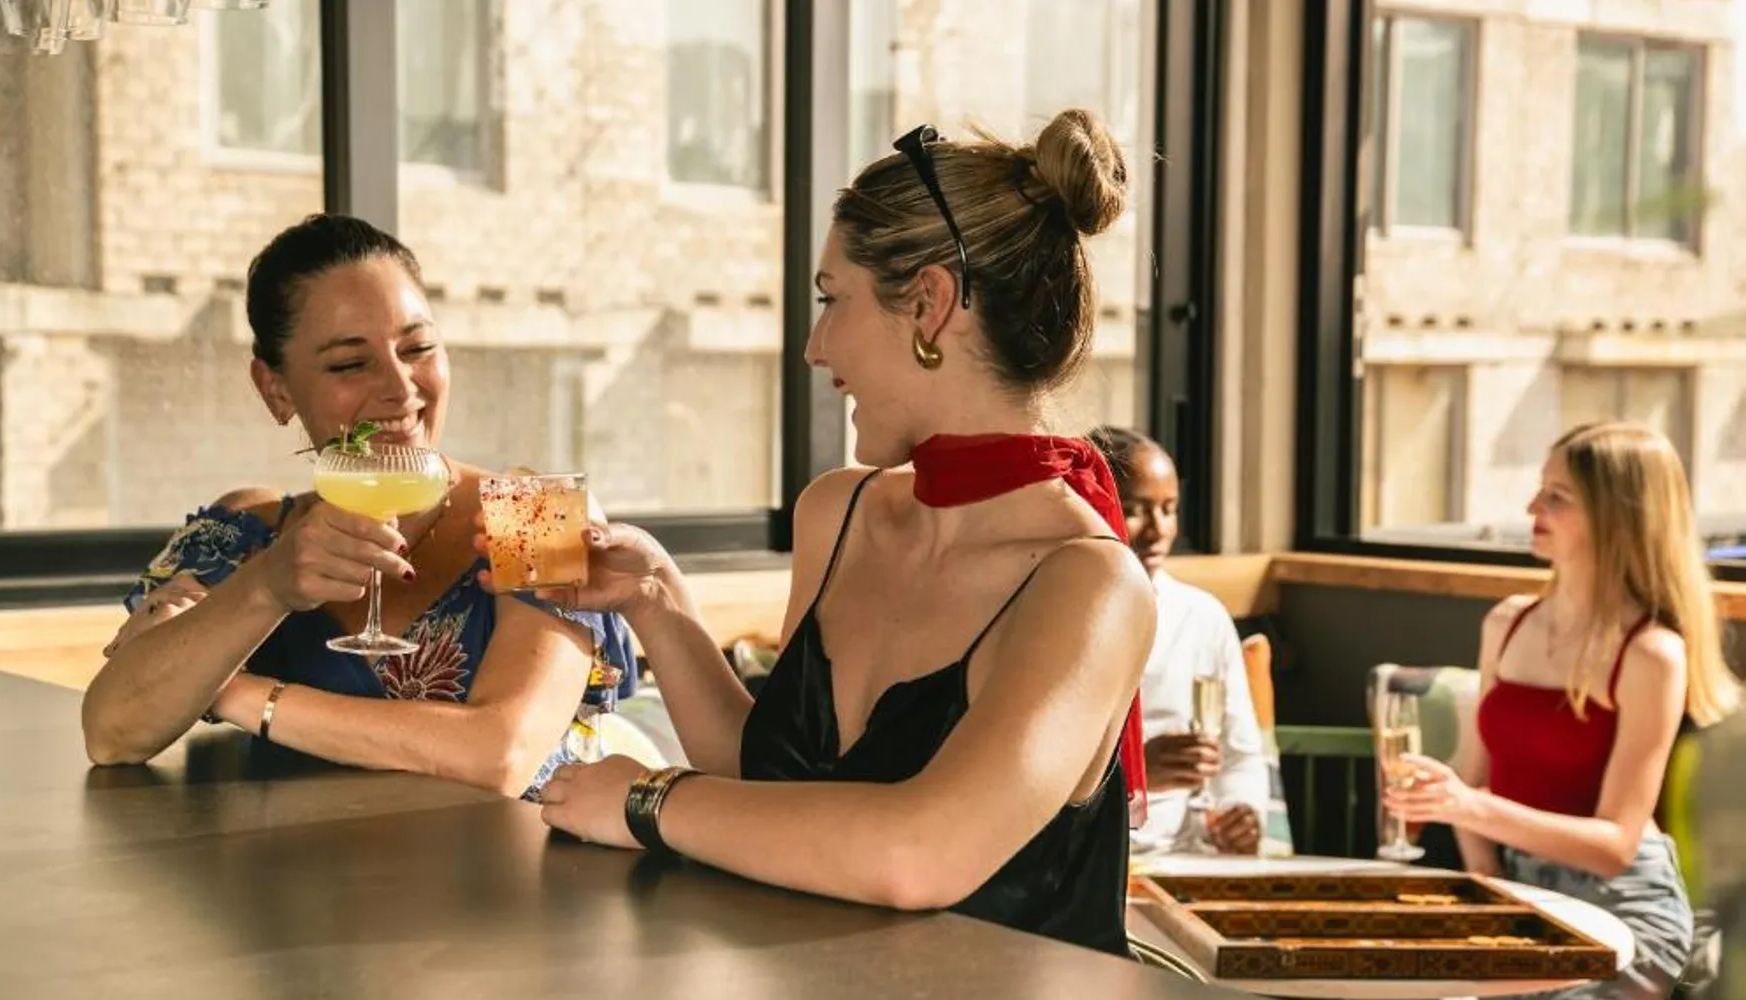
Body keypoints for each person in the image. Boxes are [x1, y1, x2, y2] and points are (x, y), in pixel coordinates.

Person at [497, 110, 1156, 956]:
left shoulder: (1090, 587)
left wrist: (647, 798)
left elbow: (920, 854)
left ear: (929, 305)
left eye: (831, 300)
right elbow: (772, 792)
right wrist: (654, 601)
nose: (814, 348)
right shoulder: (838, 513)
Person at [81, 214, 637, 801]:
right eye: (350, 363)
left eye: (418, 348)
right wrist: (266, 586)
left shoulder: (535, 513)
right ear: (275, 389)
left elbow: (501, 756)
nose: (400, 387)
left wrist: (233, 692)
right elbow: (112, 733)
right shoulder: (243, 534)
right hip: (294, 860)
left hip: (514, 859)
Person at [1385, 421, 1740, 1000]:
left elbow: (1615, 845)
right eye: (1539, 489)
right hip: (1520, 895)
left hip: (1623, 914)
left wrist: (1469, 805)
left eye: (1557, 497)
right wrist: (1489, 890)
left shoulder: (1650, 653)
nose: (1532, 507)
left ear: (1615, 516)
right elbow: (1476, 777)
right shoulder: (1506, 623)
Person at [1089, 426, 1267, 855]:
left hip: (1182, 854)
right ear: (1091, 507)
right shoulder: (1053, 617)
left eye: (1169, 509)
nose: (1158, 530)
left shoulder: (1203, 617)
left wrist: (1241, 812)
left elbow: (1239, 755)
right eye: (1134, 510)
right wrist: (1133, 776)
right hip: (1087, 858)